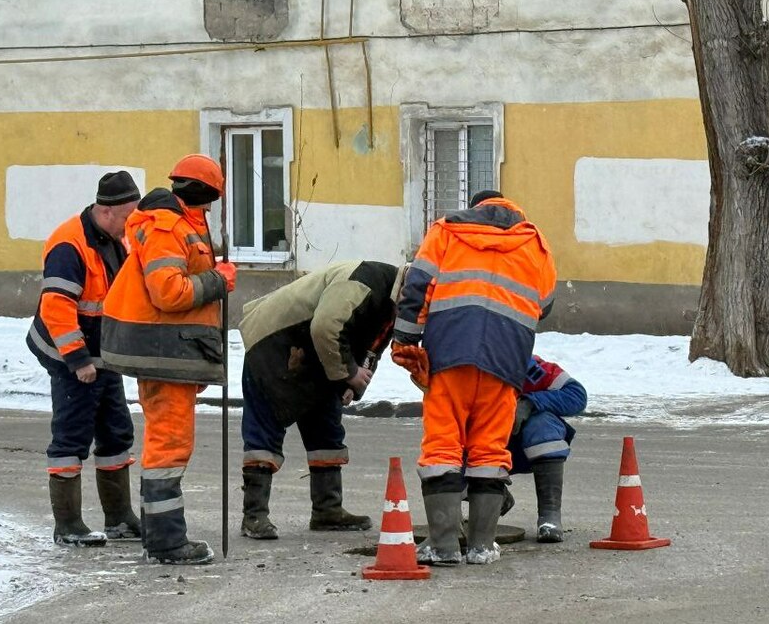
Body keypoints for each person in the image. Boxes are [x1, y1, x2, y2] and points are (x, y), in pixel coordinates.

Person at [392, 190, 556, 565]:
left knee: (443, 444)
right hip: (505, 360)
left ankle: (444, 545)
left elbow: (417, 286)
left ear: (476, 208)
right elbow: (544, 304)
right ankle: (482, 545)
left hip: (449, 353)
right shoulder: (535, 242)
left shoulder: (446, 231)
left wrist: (405, 338)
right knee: (489, 449)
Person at [101, 154, 236, 566]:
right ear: (202, 194)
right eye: (210, 199)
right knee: (169, 446)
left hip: (171, 350)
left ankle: (161, 539)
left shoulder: (180, 223)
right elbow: (169, 293)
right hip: (163, 351)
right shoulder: (165, 228)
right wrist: (219, 280)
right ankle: (166, 544)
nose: (211, 208)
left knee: (169, 445)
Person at [237, 260, 407, 540]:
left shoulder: (391, 305)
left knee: (326, 425)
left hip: (316, 350)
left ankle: (327, 510)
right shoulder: (366, 281)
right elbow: (325, 328)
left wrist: (351, 383)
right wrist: (349, 373)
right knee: (265, 425)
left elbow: (372, 347)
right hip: (274, 341)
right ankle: (254, 515)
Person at [26, 170, 142, 547]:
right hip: (67, 353)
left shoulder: (114, 238)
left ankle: (120, 519)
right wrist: (78, 361)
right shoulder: (68, 244)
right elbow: (57, 308)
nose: (132, 223)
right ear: (107, 212)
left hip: (100, 352)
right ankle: (68, 525)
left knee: (115, 432)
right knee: (72, 435)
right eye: (129, 215)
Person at [506, 355, 587, 543]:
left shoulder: (531, 368)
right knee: (447, 442)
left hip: (523, 446)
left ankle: (549, 515)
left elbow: (576, 395)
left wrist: (530, 402)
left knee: (543, 425)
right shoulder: (468, 370)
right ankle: (490, 497)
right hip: (484, 447)